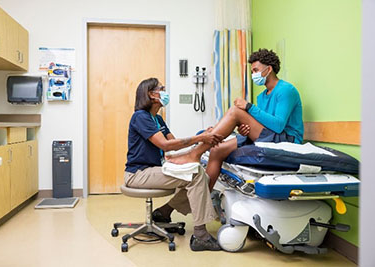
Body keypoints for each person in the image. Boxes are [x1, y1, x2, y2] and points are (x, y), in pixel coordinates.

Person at [168, 49, 304, 191]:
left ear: (268, 69)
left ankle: (195, 153)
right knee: (216, 150)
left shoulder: (286, 90)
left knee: (235, 111)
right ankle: (202, 202)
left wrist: (249, 107)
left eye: (256, 70)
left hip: (287, 139)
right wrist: (246, 131)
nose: (253, 75)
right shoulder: (262, 96)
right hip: (269, 135)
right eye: (252, 72)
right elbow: (264, 125)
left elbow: (278, 125)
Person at [124, 78, 223, 251]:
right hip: (138, 174)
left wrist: (202, 139)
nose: (164, 91)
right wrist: (200, 138)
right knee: (195, 175)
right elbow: (165, 145)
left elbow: (174, 144)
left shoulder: (158, 120)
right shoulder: (140, 117)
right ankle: (200, 236)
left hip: (155, 169)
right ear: (151, 94)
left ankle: (163, 212)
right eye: (161, 89)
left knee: (199, 175)